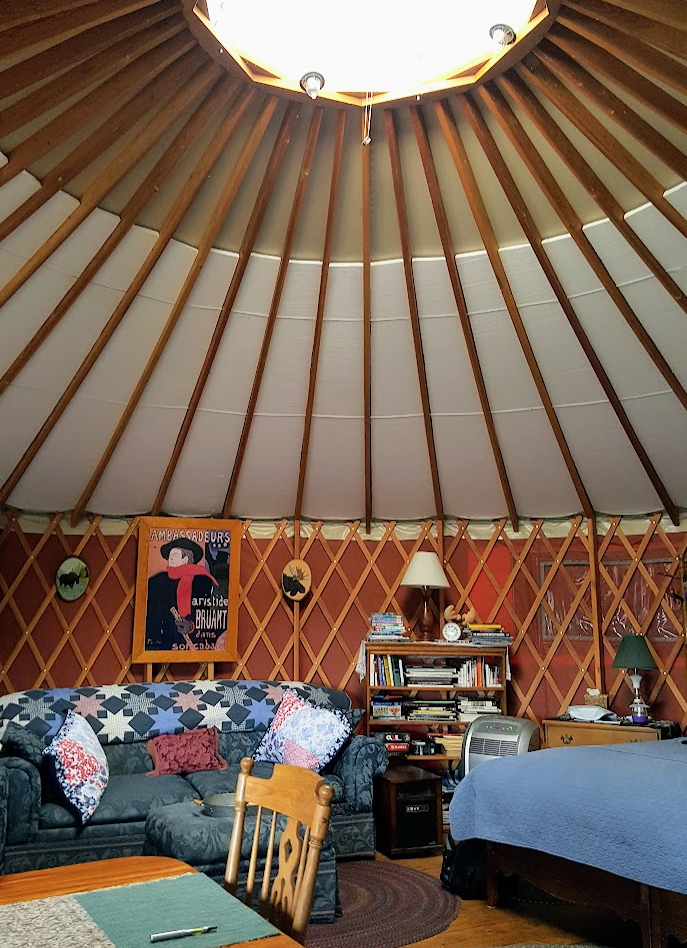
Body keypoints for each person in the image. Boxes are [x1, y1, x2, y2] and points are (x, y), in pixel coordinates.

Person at [145, 537, 219, 651]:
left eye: (174, 555)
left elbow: (207, 610)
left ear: (185, 559)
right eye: (170, 555)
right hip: (161, 641)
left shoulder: (201, 580)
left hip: (194, 642)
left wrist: (191, 625)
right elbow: (149, 611)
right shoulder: (157, 581)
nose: (170, 558)